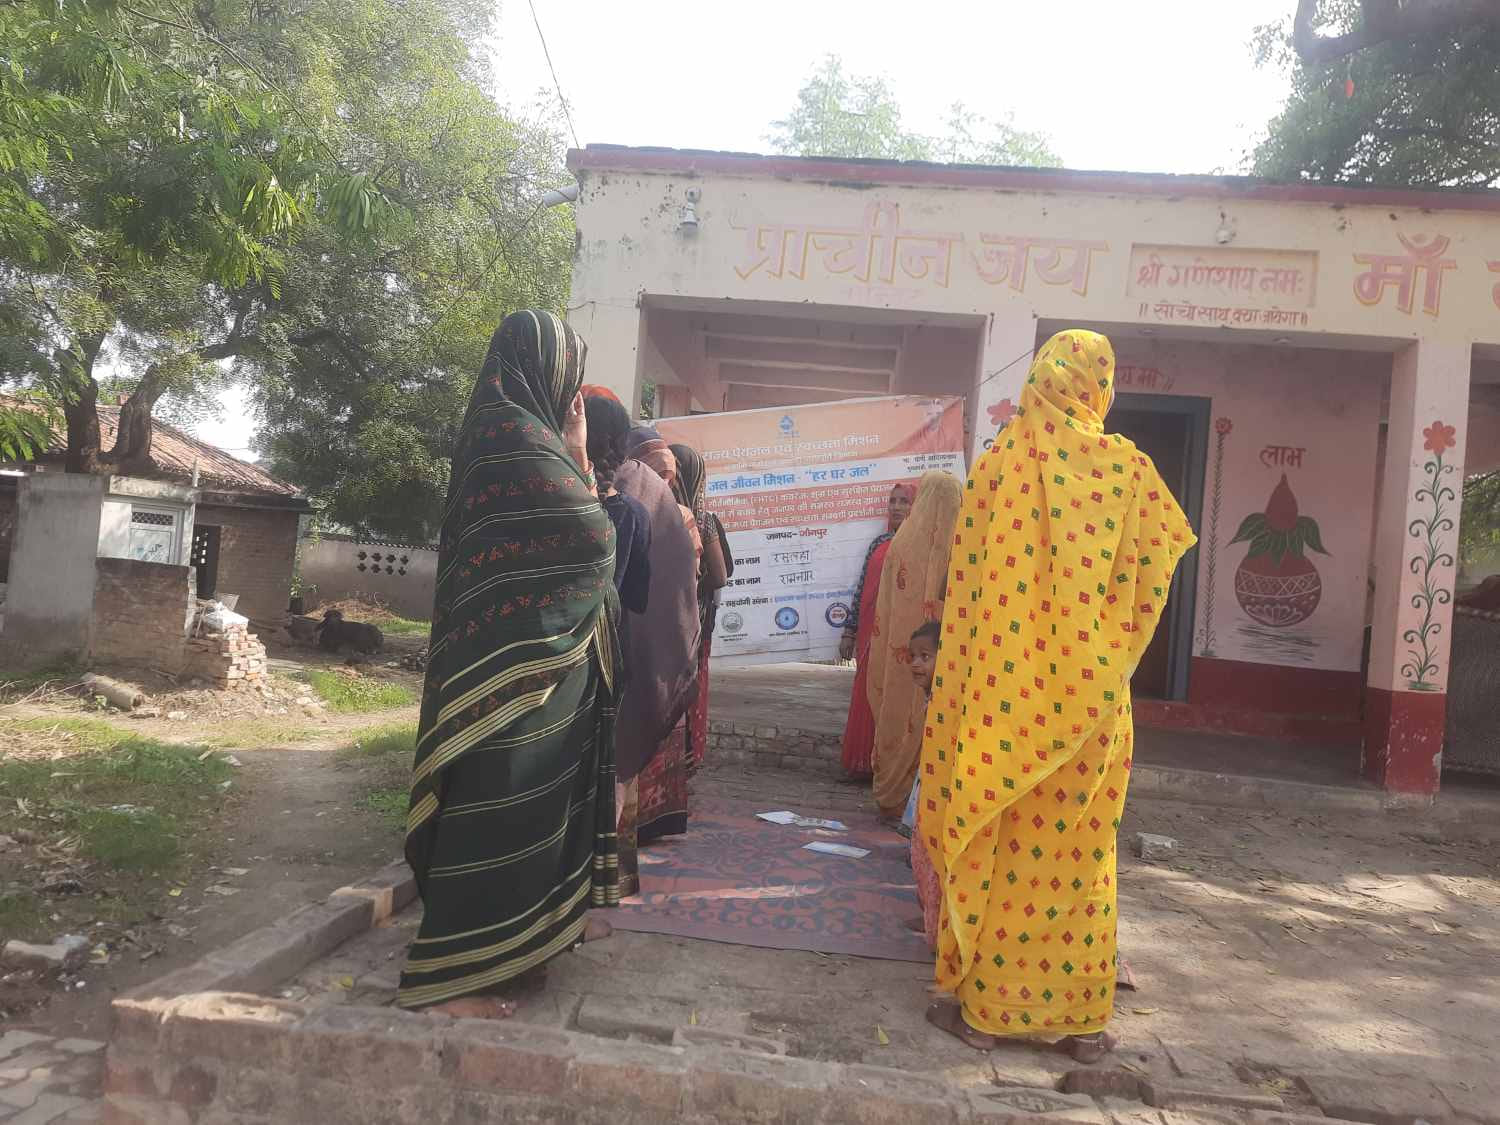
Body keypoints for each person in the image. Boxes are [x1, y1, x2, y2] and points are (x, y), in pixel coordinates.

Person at [917, 329, 1195, 1061]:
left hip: (1002, 700)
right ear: (1099, 386)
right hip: (1091, 709)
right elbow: (1155, 573)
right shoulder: (1131, 469)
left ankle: (986, 1012)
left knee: (1003, 849)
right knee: (1079, 860)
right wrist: (1104, 651)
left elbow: (967, 595)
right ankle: (1082, 1022)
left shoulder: (998, 465)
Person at [398, 310, 619, 1015]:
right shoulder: (514, 438)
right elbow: (592, 539)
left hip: (525, 669)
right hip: (516, 677)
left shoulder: (512, 435)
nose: (574, 395)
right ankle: (459, 978)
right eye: (570, 376)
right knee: (501, 815)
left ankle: (513, 953)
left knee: (529, 819)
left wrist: (576, 454)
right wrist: (578, 455)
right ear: (542, 367)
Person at [612, 427, 700, 885]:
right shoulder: (621, 505)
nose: (663, 483)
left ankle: (615, 869)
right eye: (657, 472)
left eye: (671, 476)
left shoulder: (672, 518)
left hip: (653, 658)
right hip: (619, 656)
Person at [866, 471, 963, 820]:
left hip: (900, 659)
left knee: (895, 715)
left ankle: (892, 799)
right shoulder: (962, 548)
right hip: (938, 659)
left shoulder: (901, 543)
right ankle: (924, 809)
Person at [838, 484, 916, 779]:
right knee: (865, 693)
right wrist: (849, 631)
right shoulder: (879, 543)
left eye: (903, 502)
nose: (896, 507)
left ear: (915, 507)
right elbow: (861, 589)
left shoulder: (921, 547)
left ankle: (888, 766)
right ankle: (861, 763)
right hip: (870, 633)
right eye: (893, 501)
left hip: (900, 636)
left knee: (893, 696)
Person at [669, 443, 731, 772]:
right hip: (690, 621)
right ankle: (685, 757)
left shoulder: (655, 511)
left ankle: (675, 759)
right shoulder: (700, 519)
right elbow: (719, 576)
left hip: (668, 620)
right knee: (686, 687)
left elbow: (719, 575)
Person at [583, 388, 651, 613]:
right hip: (610, 633)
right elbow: (637, 601)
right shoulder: (633, 514)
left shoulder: (546, 499)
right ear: (623, 450)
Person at [900, 621, 941, 950]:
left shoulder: (947, 700)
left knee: (932, 855)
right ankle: (929, 912)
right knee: (920, 852)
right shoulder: (932, 697)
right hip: (927, 780)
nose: (916, 664)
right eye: (912, 657)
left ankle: (936, 920)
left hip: (940, 785)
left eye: (925, 657)